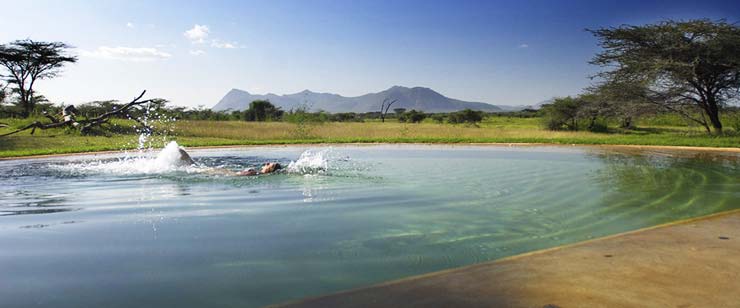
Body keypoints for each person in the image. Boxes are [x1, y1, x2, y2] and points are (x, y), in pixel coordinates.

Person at [175, 146, 282, 176]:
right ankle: (180, 158)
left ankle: (179, 157)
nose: (266, 163)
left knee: (195, 167)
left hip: (224, 174)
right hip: (225, 172)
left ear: (270, 170)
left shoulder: (255, 173)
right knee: (194, 166)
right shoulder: (256, 173)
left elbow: (237, 176)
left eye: (269, 164)